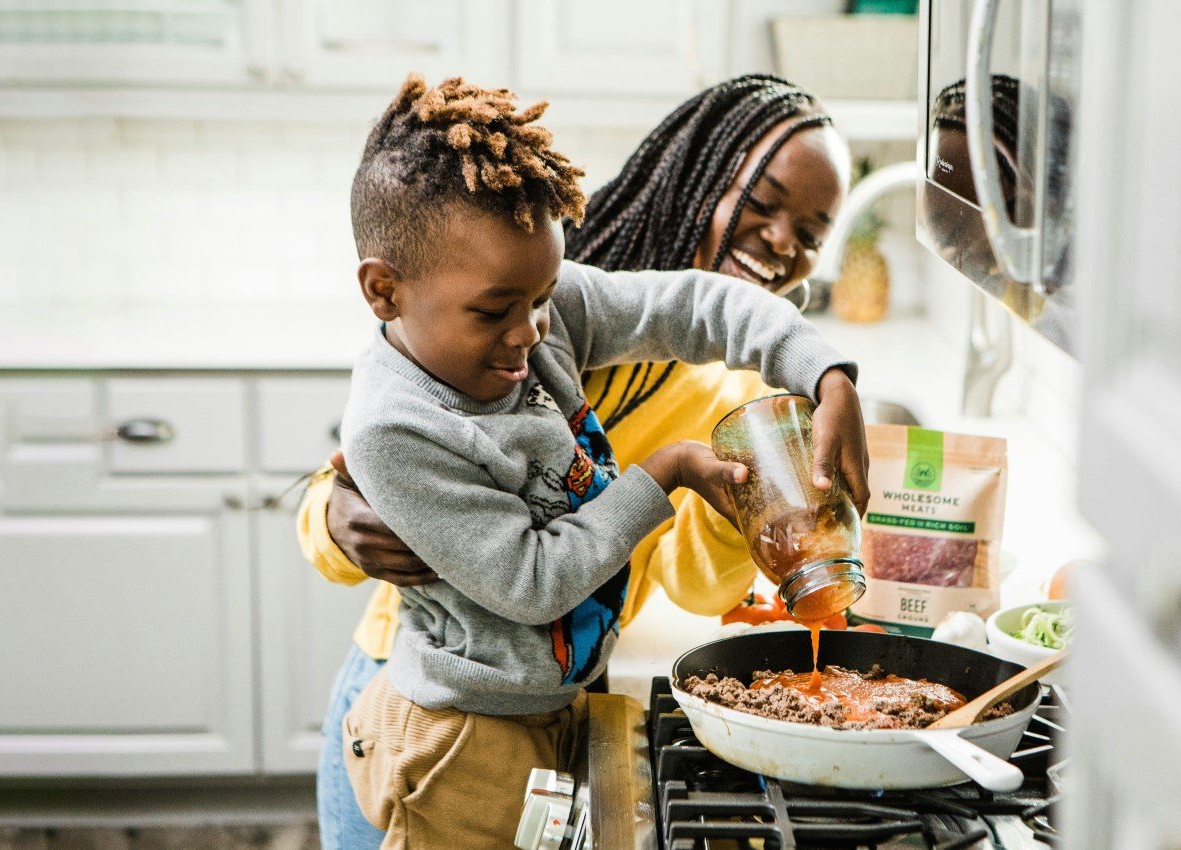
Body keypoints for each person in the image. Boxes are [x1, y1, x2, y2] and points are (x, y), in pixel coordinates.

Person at [301, 74, 859, 849]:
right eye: (761, 205)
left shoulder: (537, 293)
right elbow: (525, 578)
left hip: (559, 697)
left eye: (810, 232)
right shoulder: (479, 289)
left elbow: (690, 309)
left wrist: (822, 371)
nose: (531, 335)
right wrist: (331, 519)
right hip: (451, 728)